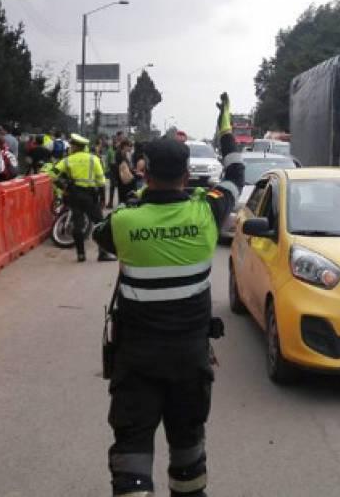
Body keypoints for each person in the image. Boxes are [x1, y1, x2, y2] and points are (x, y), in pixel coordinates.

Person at [93, 94, 244, 497]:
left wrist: (134, 197)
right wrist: (225, 125)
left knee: (131, 451)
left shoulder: (125, 221)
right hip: (189, 359)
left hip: (137, 360)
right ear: (186, 173)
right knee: (188, 447)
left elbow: (98, 234)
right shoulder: (206, 213)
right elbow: (236, 170)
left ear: (144, 171)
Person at [50, 133, 112, 262]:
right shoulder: (93, 159)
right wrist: (102, 198)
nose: (70, 147)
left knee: (77, 224)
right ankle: (102, 253)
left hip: (74, 195)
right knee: (100, 223)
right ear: (84, 147)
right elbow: (101, 181)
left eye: (72, 145)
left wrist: (63, 187)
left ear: (75, 147)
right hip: (90, 195)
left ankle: (81, 255)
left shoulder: (68, 159)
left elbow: (51, 174)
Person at [115, 140, 137, 204]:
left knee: (125, 194)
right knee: (122, 194)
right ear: (124, 146)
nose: (129, 148)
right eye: (128, 146)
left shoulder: (125, 154)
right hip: (122, 178)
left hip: (125, 178)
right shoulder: (119, 153)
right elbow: (121, 166)